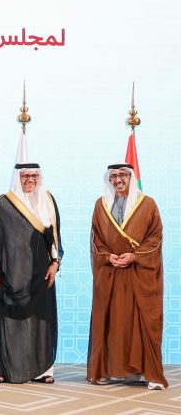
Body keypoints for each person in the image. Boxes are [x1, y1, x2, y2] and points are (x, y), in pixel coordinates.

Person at [87, 164, 167, 390]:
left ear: (131, 177)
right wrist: (108, 257)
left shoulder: (148, 204)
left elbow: (155, 237)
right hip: (111, 272)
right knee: (111, 321)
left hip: (138, 273)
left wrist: (135, 256)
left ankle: (150, 374)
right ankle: (108, 370)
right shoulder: (101, 205)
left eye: (122, 175)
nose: (118, 180)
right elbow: (96, 238)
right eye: (113, 176)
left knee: (144, 321)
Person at [0, 163, 62, 384]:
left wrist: (55, 263)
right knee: (10, 319)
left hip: (42, 271)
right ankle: (5, 368)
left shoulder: (48, 200)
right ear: (17, 178)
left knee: (41, 319)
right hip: (12, 271)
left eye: (34, 176)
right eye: (25, 176)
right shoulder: (4, 202)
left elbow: (55, 237)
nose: (29, 180)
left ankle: (43, 370)